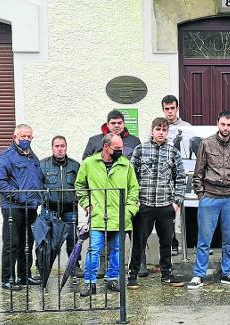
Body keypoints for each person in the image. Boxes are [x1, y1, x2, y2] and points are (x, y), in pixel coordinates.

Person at [186, 111, 230, 289]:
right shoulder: (206, 144)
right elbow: (198, 172)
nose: (225, 128)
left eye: (229, 125)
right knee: (204, 239)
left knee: (229, 238)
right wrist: (201, 195)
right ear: (217, 124)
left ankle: (227, 272)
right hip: (210, 197)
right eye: (223, 124)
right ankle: (199, 274)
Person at [75, 133, 139, 296]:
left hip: (120, 216)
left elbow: (134, 189)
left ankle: (113, 280)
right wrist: (86, 205)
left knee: (117, 250)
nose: (121, 151)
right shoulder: (89, 163)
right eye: (117, 148)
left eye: (122, 148)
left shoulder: (126, 165)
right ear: (105, 147)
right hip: (98, 216)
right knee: (93, 250)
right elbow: (80, 185)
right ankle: (90, 283)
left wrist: (129, 210)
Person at [127, 118, 186, 289]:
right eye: (158, 129)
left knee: (166, 242)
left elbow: (180, 179)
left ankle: (167, 275)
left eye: (164, 129)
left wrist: (176, 202)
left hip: (165, 205)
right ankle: (133, 275)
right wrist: (135, 201)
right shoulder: (140, 150)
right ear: (152, 130)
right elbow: (131, 177)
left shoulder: (173, 152)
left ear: (167, 132)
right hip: (143, 205)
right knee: (138, 241)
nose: (161, 132)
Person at [0, 124, 43, 290]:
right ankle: (8, 279)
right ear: (15, 137)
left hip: (31, 207)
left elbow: (37, 179)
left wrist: (40, 196)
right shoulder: (5, 157)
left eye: (29, 137)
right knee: (12, 243)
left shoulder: (32, 157)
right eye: (23, 136)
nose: (26, 139)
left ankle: (24, 276)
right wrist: (20, 196)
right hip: (12, 207)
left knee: (27, 242)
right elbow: (0, 182)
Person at [40, 136, 82, 275]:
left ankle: (74, 266)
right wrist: (43, 199)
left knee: (73, 239)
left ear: (66, 147)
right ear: (52, 148)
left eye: (62, 146)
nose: (59, 149)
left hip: (70, 208)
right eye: (57, 146)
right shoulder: (43, 165)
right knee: (46, 240)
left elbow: (81, 185)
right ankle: (43, 269)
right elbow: (38, 185)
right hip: (50, 208)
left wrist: (77, 200)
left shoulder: (75, 165)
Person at [161, 95, 191, 256]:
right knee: (168, 210)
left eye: (173, 108)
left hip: (182, 172)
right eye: (167, 109)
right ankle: (172, 242)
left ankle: (191, 242)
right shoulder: (160, 126)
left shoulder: (186, 126)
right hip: (165, 175)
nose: (170, 112)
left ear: (177, 108)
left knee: (188, 208)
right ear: (163, 110)